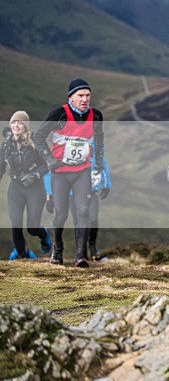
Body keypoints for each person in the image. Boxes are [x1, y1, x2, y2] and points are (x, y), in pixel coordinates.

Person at [33, 78, 105, 268]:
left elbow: (99, 138)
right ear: (71, 97)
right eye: (80, 95)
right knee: (61, 215)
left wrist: (99, 160)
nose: (84, 99)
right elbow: (38, 136)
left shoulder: (96, 116)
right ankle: (57, 249)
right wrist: (49, 159)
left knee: (83, 211)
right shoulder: (59, 114)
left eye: (88, 96)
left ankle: (80, 256)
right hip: (60, 172)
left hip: (82, 170)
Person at [44, 144, 111, 261]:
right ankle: (81, 253)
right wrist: (49, 194)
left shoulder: (93, 139)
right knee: (78, 221)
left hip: (92, 190)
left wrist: (106, 185)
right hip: (71, 193)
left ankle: (93, 246)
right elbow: (50, 171)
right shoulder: (64, 145)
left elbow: (102, 162)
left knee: (93, 218)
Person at [0, 111, 52, 260]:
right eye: (13, 122)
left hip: (35, 189)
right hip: (16, 188)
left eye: (20, 122)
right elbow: (1, 167)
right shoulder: (5, 145)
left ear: (25, 126)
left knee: (32, 227)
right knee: (15, 224)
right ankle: (22, 255)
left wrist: (34, 175)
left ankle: (44, 234)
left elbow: (47, 165)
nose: (16, 125)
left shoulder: (36, 142)